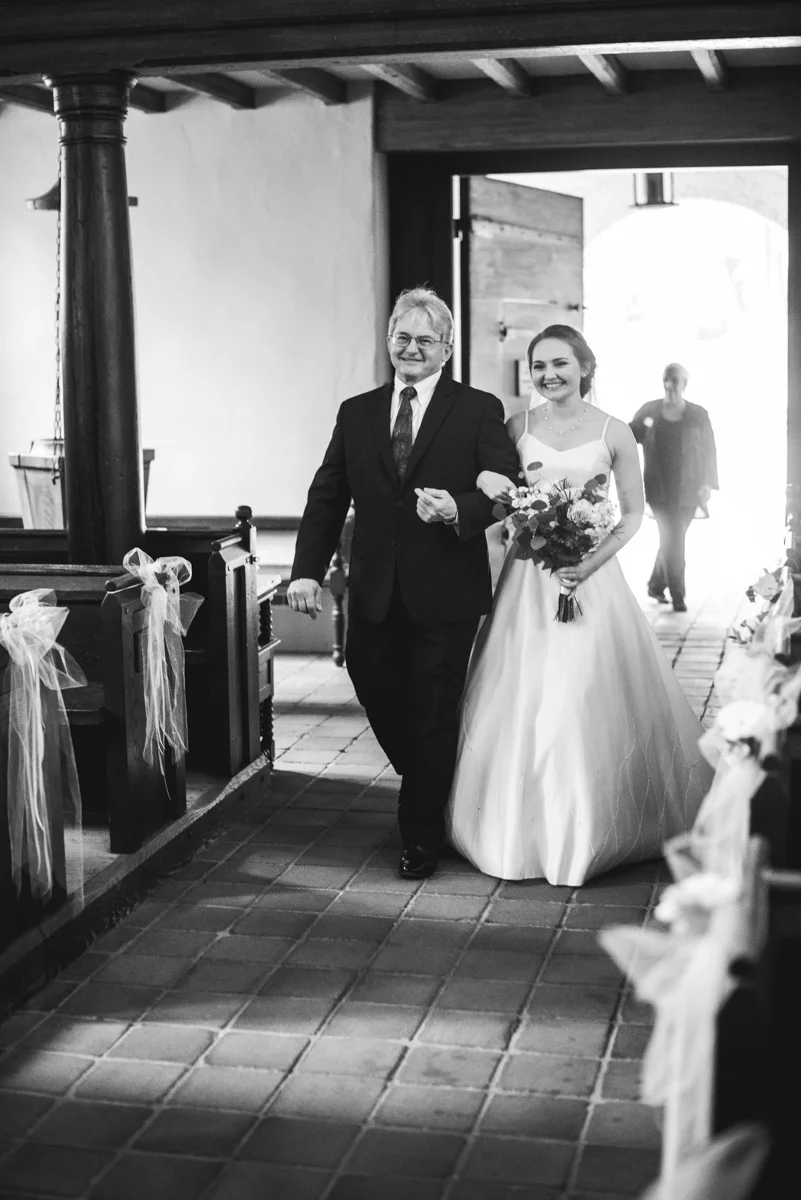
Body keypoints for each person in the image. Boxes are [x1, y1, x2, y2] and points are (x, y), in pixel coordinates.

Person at [447, 326, 713, 886]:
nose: (549, 375)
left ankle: (588, 828)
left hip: (592, 579)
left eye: (560, 363)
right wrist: (500, 506)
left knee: (582, 691)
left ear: (585, 367)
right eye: (539, 366)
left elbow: (633, 514)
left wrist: (590, 562)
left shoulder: (616, 431)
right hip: (527, 583)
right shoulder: (516, 427)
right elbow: (502, 502)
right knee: (522, 691)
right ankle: (517, 831)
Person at [287, 287, 521, 880]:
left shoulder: (477, 409)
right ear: (389, 339)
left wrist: (461, 509)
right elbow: (327, 495)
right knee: (372, 683)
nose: (411, 348)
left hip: (445, 588)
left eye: (425, 340)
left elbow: (506, 486)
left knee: (434, 711)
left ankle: (420, 835)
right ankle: (427, 775)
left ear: (447, 347)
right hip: (373, 589)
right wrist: (306, 571)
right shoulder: (357, 412)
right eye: (402, 337)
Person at [630, 363, 718, 613]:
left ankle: (656, 585)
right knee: (674, 539)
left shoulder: (698, 414)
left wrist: (708, 483)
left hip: (689, 489)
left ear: (684, 384)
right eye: (666, 380)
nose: (669, 385)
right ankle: (678, 595)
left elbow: (709, 449)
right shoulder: (650, 410)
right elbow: (628, 435)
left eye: (675, 380)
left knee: (672, 539)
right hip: (658, 489)